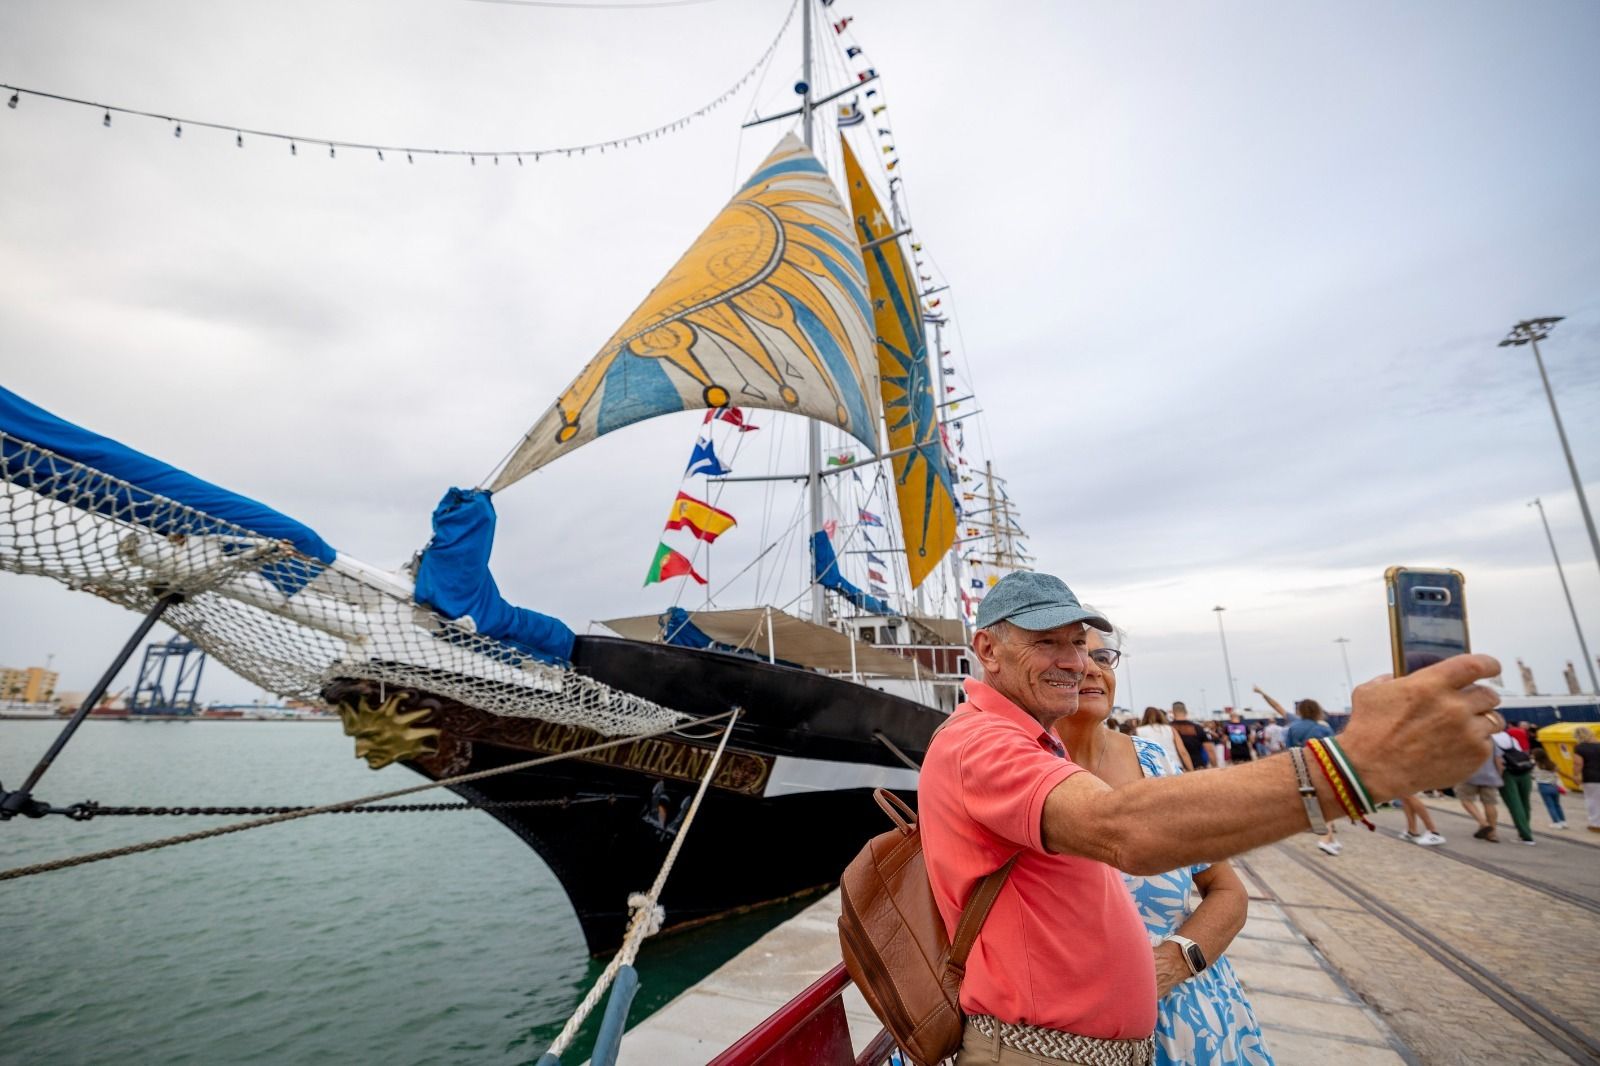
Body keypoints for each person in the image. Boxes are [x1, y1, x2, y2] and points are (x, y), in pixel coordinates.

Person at [920, 570, 1502, 1064]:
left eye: (1083, 644)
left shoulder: (1030, 740)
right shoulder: (984, 743)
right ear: (988, 650)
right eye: (1050, 642)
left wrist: (1181, 957)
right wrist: (1359, 766)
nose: (1075, 662)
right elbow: (1123, 829)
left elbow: (1215, 883)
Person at [1056, 625, 1273, 1066]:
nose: (1092, 669)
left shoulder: (1153, 762)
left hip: (1194, 1017)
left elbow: (1227, 890)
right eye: (1074, 654)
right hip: (1064, 1034)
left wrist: (1176, 960)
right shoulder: (1016, 766)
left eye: (1104, 657)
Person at [1256, 687, 1340, 855]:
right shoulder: (1323, 728)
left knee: (1308, 798)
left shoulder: (1293, 725)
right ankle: (1326, 837)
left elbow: (1288, 748)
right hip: (1319, 766)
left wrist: (1262, 693)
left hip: (1298, 766)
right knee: (1327, 802)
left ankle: (1328, 837)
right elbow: (1332, 748)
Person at [1492, 729, 1535, 845]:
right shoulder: (1510, 738)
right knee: (1525, 803)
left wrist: (1497, 778)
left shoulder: (1490, 739)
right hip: (1523, 771)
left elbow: (1498, 761)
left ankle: (1526, 836)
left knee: (1514, 804)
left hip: (1508, 774)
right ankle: (1525, 831)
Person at [1457, 744, 1504, 842]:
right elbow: (1498, 760)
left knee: (1466, 800)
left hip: (1469, 775)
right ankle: (1492, 834)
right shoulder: (1490, 740)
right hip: (1490, 776)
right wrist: (1498, 775)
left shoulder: (1466, 739)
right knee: (1489, 804)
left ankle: (1484, 823)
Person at [1137, 707, 1194, 771]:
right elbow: (1182, 751)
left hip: (1153, 769)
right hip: (1175, 766)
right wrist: (1191, 770)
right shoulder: (1170, 729)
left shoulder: (1138, 731)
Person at [1531, 747, 1568, 829]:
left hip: (1543, 786)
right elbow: (1560, 772)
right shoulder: (1551, 764)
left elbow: (1533, 776)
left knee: (1550, 806)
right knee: (1557, 805)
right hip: (1554, 786)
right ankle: (1563, 821)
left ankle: (1556, 822)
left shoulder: (1536, 766)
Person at [1573, 726, 1600, 832]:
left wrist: (1576, 775)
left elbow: (1578, 763)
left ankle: (1595, 824)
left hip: (1591, 778)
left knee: (1592, 801)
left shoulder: (1580, 747)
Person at [1170, 702, 1208, 771]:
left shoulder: (1168, 728)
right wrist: (1214, 765)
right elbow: (1209, 748)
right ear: (1186, 712)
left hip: (1178, 768)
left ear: (1172, 712)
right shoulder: (1197, 727)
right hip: (1198, 766)